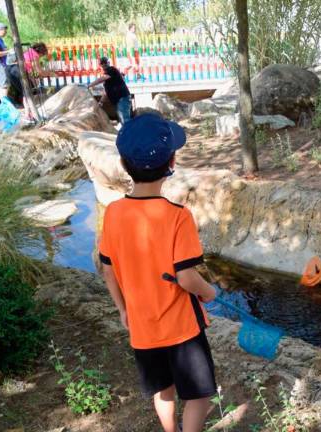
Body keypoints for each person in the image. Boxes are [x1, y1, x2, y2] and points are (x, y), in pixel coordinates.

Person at [99, 113, 218, 432]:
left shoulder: (113, 213)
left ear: (124, 164)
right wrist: (209, 292)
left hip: (142, 326)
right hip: (181, 330)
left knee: (162, 389)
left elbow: (108, 269)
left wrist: (123, 309)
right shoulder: (177, 217)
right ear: (172, 162)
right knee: (199, 395)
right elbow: (187, 278)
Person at [7, 42, 51, 121]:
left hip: (10, 70)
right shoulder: (35, 55)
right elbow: (39, 71)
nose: (41, 57)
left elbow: (29, 72)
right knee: (28, 92)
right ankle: (30, 115)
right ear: (41, 52)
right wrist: (50, 73)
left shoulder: (29, 52)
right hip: (18, 71)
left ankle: (28, 114)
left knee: (25, 92)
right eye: (42, 55)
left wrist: (33, 81)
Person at [88, 57, 131, 124]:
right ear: (100, 65)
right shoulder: (107, 78)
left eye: (105, 62)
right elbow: (106, 92)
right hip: (119, 100)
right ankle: (128, 134)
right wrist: (101, 102)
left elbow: (101, 79)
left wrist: (89, 85)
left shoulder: (111, 70)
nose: (104, 64)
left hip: (122, 98)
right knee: (123, 120)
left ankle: (131, 134)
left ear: (108, 63)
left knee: (125, 120)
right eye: (102, 63)